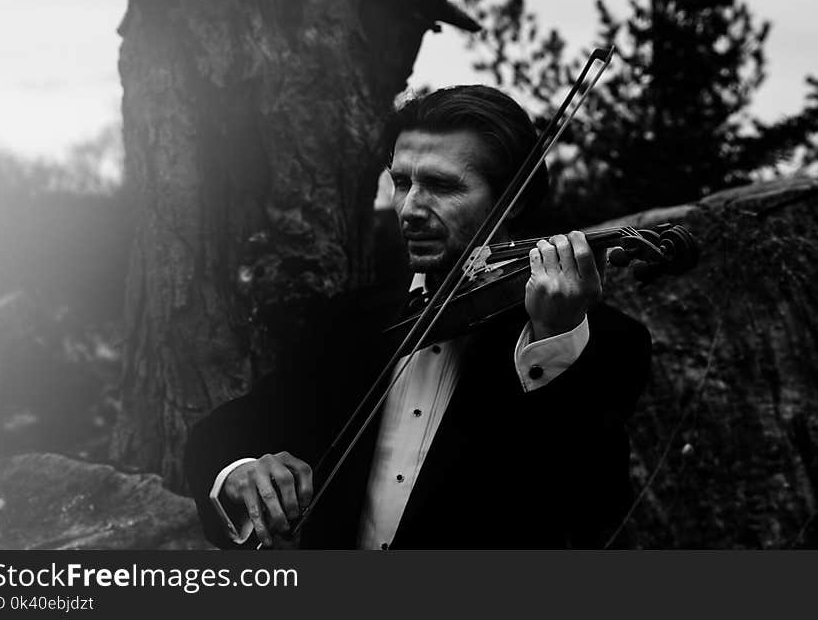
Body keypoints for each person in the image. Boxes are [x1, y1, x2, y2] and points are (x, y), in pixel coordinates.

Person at [184, 85, 651, 549]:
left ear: (517, 198)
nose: (408, 209)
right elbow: (221, 434)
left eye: (442, 186)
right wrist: (239, 473)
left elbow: (592, 510)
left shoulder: (596, 340)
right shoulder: (351, 323)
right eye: (402, 182)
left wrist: (552, 341)